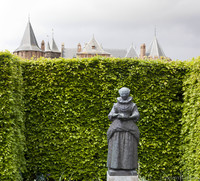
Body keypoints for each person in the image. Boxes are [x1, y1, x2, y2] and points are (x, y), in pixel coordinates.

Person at [107, 87, 140, 176]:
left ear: (128, 94)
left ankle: (129, 167)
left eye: (125, 94)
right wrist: (117, 114)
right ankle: (115, 166)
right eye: (122, 94)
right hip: (117, 126)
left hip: (129, 127)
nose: (124, 96)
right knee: (116, 145)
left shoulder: (133, 105)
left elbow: (136, 114)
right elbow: (110, 115)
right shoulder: (116, 105)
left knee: (129, 146)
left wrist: (130, 117)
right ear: (120, 94)